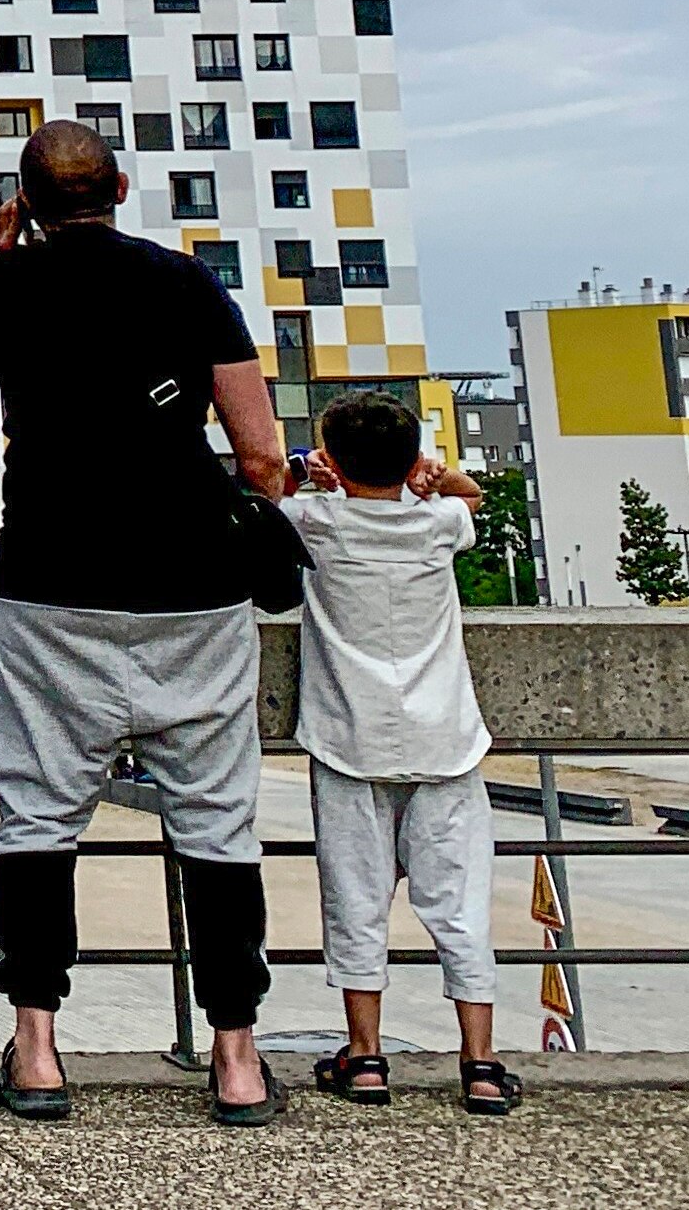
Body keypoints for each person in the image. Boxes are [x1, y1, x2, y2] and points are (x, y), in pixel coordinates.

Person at [0, 119, 286, 1127]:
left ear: (26, 199)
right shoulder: (185, 281)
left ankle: (37, 1050)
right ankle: (236, 1054)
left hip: (50, 577)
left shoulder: (8, 282)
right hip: (191, 585)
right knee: (215, 823)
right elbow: (257, 454)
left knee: (36, 817)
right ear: (119, 186)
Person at [284, 390, 516, 1115]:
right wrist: (433, 476)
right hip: (444, 740)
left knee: (355, 901)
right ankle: (479, 1061)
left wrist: (306, 476)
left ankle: (367, 1057)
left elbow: (269, 497)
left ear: (334, 459)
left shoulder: (315, 521)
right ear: (411, 456)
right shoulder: (438, 523)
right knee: (461, 906)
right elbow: (473, 496)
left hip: (350, 740)